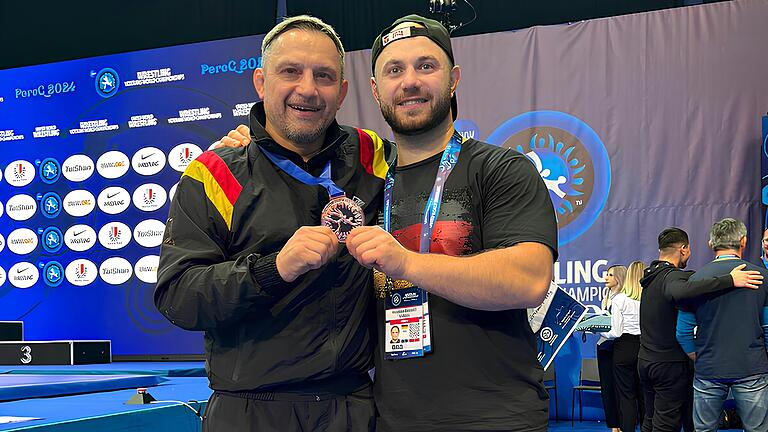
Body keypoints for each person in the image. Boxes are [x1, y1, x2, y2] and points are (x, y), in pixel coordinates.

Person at [221, 15, 558, 431]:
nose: (410, 82)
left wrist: (406, 263)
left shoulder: (499, 168)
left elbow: (528, 280)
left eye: (426, 66)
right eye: (394, 70)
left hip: (496, 416)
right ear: (376, 91)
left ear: (453, 80)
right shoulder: (365, 177)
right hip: (390, 418)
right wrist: (252, 146)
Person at [155, 15, 394, 432]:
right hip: (250, 412)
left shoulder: (372, 155)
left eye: (323, 76)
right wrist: (273, 269)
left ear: (341, 92)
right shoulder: (214, 174)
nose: (307, 89)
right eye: (290, 72)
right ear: (261, 84)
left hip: (353, 408)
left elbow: (436, 162)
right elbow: (178, 296)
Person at [638, 227, 762, 432]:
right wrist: (730, 280)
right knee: (665, 424)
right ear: (684, 249)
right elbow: (682, 291)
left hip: (646, 361)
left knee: (650, 419)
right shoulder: (672, 277)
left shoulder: (651, 279)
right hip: (668, 364)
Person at [676, 218, 768, 432]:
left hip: (708, 367)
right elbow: (767, 328)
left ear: (711, 244)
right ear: (743, 241)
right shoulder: (762, 277)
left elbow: (683, 332)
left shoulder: (696, 280)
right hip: (752, 367)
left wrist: (696, 355)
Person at [601, 261, 645, 432]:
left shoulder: (619, 299)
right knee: (643, 394)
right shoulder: (647, 299)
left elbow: (616, 332)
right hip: (643, 348)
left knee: (626, 396)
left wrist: (601, 331)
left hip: (623, 348)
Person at [598, 265, 627, 432]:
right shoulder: (606, 297)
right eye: (606, 274)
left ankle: (620, 424)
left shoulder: (622, 299)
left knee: (617, 388)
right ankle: (614, 426)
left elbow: (616, 330)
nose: (606, 277)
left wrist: (597, 328)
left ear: (619, 277)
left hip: (615, 347)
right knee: (607, 388)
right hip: (603, 347)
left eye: (610, 275)